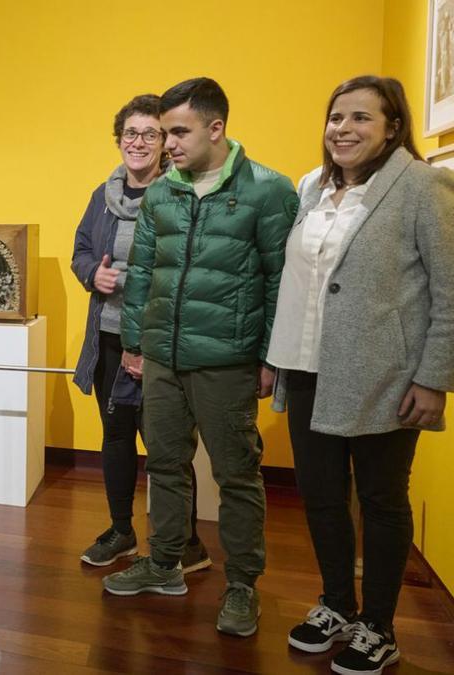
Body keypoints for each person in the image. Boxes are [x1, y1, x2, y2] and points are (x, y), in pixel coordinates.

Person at [268, 76, 454, 675]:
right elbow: (302, 283)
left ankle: (378, 625)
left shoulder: (424, 187)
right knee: (321, 497)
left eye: (360, 119)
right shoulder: (311, 188)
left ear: (393, 126)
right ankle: (336, 605)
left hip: (385, 375)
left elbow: (451, 291)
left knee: (380, 499)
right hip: (308, 368)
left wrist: (435, 378)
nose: (342, 129)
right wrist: (275, 357)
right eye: (335, 117)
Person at [103, 77, 298, 639]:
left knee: (237, 475)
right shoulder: (163, 191)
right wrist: (136, 345)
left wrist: (269, 357)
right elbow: (142, 274)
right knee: (163, 463)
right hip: (161, 356)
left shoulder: (268, 190)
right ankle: (165, 562)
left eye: (178, 131)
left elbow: (280, 280)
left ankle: (242, 585)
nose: (168, 144)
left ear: (217, 128)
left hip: (228, 360)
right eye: (163, 132)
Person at [71, 94, 210, 573]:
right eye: (130, 133)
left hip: (157, 343)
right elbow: (81, 250)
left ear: (165, 143)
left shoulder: (179, 195)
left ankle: (184, 543)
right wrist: (94, 275)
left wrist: (133, 299)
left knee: (167, 445)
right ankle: (121, 531)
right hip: (107, 337)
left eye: (151, 134)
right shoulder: (101, 196)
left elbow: (186, 271)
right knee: (115, 437)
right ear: (119, 139)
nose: (139, 142)